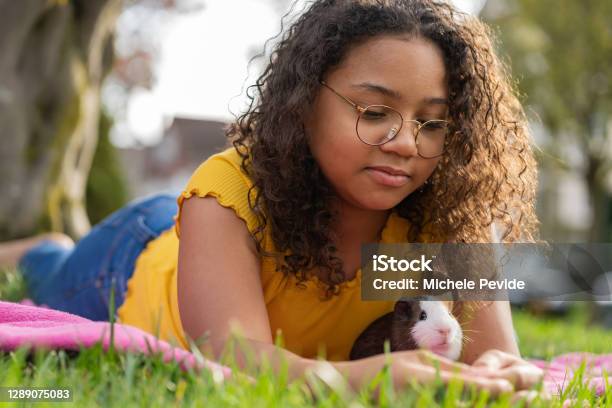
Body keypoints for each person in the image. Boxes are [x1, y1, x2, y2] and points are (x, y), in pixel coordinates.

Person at [0, 0, 544, 397]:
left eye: (432, 122)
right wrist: (369, 381)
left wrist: (501, 374)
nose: (406, 142)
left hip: (192, 238)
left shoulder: (451, 213)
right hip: (130, 265)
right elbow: (240, 361)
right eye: (374, 112)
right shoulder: (229, 190)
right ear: (306, 103)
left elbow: (494, 358)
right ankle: (38, 248)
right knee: (53, 270)